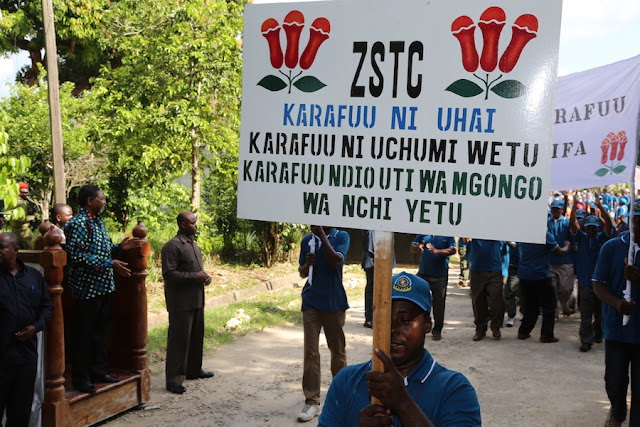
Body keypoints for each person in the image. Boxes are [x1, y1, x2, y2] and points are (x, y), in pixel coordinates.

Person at [318, 272, 481, 426]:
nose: (393, 329)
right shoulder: (346, 382)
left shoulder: (455, 390)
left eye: (405, 320)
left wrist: (403, 403)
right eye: (385, 319)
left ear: (427, 324)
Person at [64, 184, 143, 394]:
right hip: (87, 290)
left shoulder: (97, 221)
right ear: (90, 201)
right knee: (84, 336)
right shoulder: (78, 223)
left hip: (104, 287)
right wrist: (112, 264)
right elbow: (77, 257)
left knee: (101, 334)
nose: (104, 202)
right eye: (101, 198)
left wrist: (119, 248)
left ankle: (98, 371)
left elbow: (104, 251)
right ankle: (81, 379)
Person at [593, 200, 640, 427]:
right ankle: (617, 412)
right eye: (637, 220)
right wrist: (617, 304)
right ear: (631, 221)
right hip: (616, 330)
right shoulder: (611, 247)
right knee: (614, 382)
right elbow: (598, 284)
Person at [297, 225, 350, 422]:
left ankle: (341, 396)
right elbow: (302, 272)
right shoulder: (306, 241)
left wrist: (321, 237)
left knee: (337, 350)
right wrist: (306, 265)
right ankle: (311, 401)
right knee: (311, 352)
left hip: (334, 301)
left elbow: (336, 261)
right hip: (311, 301)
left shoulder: (341, 236)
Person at [0, 232, 52, 425]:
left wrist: (35, 327)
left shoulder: (34, 276)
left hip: (26, 356)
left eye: (2, 247)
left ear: (15, 250)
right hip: (2, 356)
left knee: (20, 410)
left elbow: (47, 307)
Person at [161, 212, 214, 395]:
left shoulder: (193, 245)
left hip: (196, 299)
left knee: (196, 336)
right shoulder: (173, 246)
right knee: (179, 340)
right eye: (193, 223)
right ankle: (174, 380)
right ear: (183, 225)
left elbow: (196, 271)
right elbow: (169, 274)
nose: (196, 226)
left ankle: (193, 370)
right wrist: (194, 277)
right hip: (181, 302)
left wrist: (204, 277)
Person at [570, 197, 613, 352]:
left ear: (597, 228)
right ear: (585, 228)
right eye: (588, 227)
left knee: (600, 313)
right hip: (585, 282)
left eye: (594, 227)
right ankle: (586, 341)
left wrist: (600, 208)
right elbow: (573, 225)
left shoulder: (602, 238)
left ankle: (598, 333)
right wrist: (574, 206)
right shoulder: (581, 238)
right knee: (586, 314)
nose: (591, 229)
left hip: (601, 282)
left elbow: (608, 225)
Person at [517, 220, 570, 343]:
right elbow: (559, 252)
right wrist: (567, 246)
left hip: (524, 275)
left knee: (530, 305)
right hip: (540, 275)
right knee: (549, 305)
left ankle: (524, 331)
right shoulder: (544, 234)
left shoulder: (524, 233)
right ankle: (547, 334)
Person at [410, 234, 456, 340]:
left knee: (439, 303)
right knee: (419, 302)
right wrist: (417, 248)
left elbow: (453, 250)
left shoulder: (447, 234)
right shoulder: (423, 232)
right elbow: (412, 247)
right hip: (423, 274)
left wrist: (436, 251)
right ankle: (420, 327)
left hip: (440, 275)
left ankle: (437, 330)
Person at [467, 238, 505, 341]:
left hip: (494, 269)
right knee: (478, 300)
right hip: (477, 269)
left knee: (496, 296)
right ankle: (480, 329)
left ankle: (496, 326)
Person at [548, 197, 576, 317]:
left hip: (565, 262)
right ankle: (553, 315)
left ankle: (564, 304)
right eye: (553, 209)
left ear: (562, 210)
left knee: (566, 289)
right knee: (552, 290)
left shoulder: (567, 223)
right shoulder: (546, 223)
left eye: (557, 209)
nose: (555, 211)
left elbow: (573, 239)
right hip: (550, 262)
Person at [8, 183, 39, 249]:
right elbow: (21, 219)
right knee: (32, 250)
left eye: (27, 192)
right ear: (18, 192)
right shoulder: (20, 203)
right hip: (23, 231)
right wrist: (33, 217)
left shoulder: (11, 200)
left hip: (14, 230)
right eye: (24, 192)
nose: (26, 194)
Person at [504, 241, 521, 327]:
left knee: (526, 290)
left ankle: (524, 311)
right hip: (513, 264)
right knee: (510, 290)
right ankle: (511, 315)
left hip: (528, 263)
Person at [362, 230, 375, 329]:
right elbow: (371, 245)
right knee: (371, 289)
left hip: (382, 259)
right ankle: (369, 318)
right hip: (372, 260)